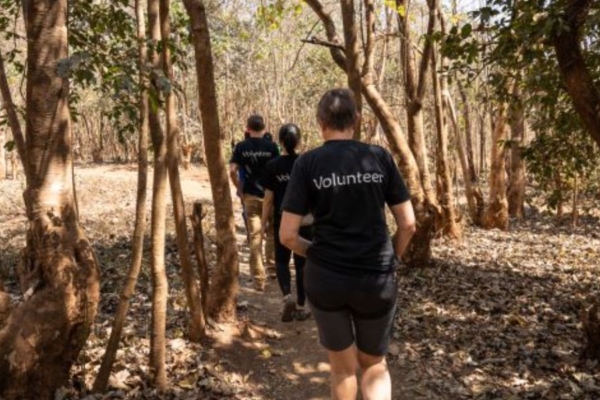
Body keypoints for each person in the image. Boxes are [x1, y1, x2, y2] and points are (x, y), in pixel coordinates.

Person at [279, 88, 416, 400]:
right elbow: (408, 223)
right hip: (376, 278)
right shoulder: (378, 157)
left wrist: (315, 254)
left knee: (342, 368)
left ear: (320, 122)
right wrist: (391, 256)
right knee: (374, 364)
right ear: (357, 119)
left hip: (327, 279)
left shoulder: (307, 163)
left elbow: (287, 235)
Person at [260, 123, 311, 322]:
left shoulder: (273, 165)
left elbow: (268, 198)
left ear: (280, 141)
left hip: (283, 220)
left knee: (281, 261)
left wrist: (264, 222)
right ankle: (300, 305)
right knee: (301, 264)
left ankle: (287, 296)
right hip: (306, 222)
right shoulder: (306, 163)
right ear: (299, 141)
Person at [230, 115, 279, 291]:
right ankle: (272, 269)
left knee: (255, 236)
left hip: (250, 196)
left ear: (248, 129)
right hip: (270, 195)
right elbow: (277, 170)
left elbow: (232, 170)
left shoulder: (241, 147)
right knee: (272, 232)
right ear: (264, 128)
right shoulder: (272, 147)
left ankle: (258, 279)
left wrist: (240, 189)